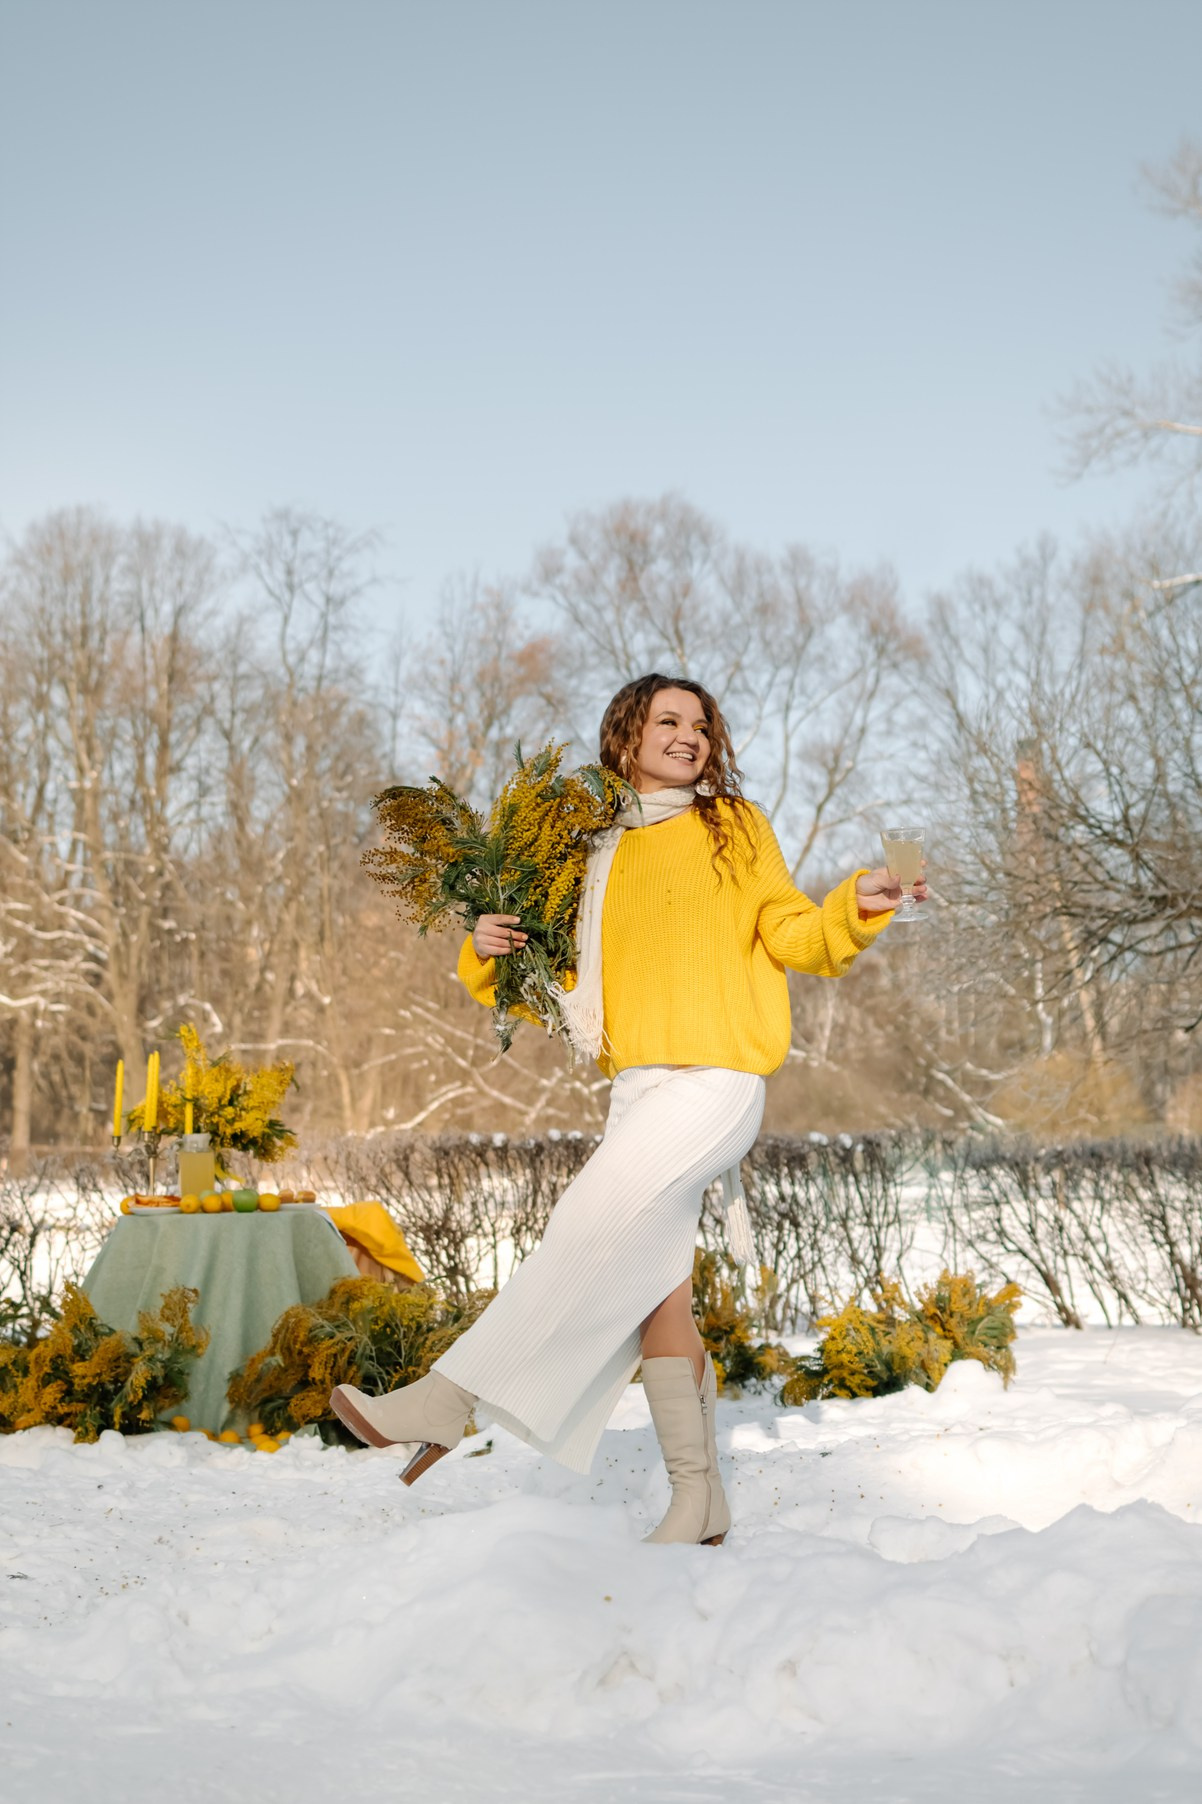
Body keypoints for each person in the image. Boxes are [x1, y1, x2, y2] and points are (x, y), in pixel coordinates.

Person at [331, 673, 924, 1543]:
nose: (689, 736)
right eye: (668, 720)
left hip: (717, 1082)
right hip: (637, 1092)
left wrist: (859, 905)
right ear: (627, 736)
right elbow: (551, 982)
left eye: (701, 724)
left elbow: (793, 932)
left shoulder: (735, 826)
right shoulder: (588, 848)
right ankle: (699, 1501)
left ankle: (448, 1398)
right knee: (660, 1301)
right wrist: (486, 946)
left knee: (581, 1221)